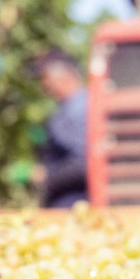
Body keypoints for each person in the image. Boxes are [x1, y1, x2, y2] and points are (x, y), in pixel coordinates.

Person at [30, 51, 88, 208]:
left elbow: (84, 162)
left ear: (61, 76)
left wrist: (47, 175)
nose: (44, 85)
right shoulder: (69, 108)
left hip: (75, 202)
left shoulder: (78, 110)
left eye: (45, 78)